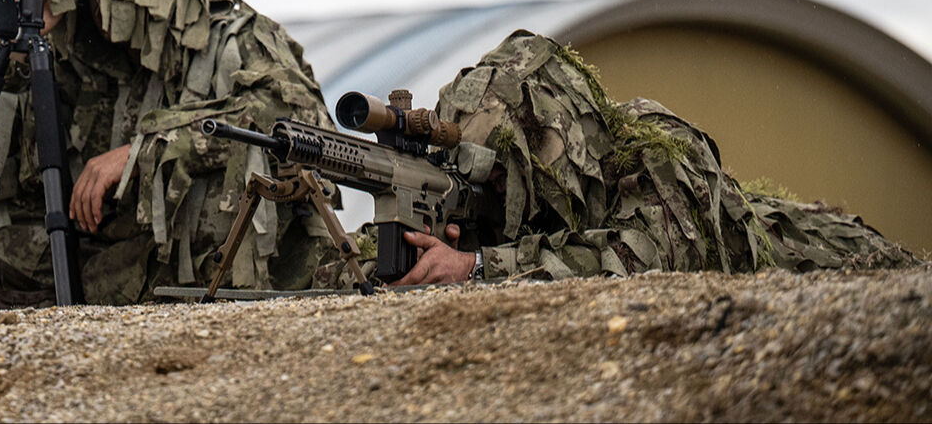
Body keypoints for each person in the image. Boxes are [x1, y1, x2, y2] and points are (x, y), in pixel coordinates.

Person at [0, 0, 338, 308]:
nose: (110, 5)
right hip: (109, 251)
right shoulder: (79, 47)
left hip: (204, 259)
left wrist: (142, 150)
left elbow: (300, 121)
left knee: (225, 186)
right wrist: (18, 54)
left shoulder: (236, 39)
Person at [319, 30, 917, 289]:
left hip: (816, 248)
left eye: (506, 175)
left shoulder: (657, 156)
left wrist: (477, 267)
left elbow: (642, 257)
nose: (497, 191)